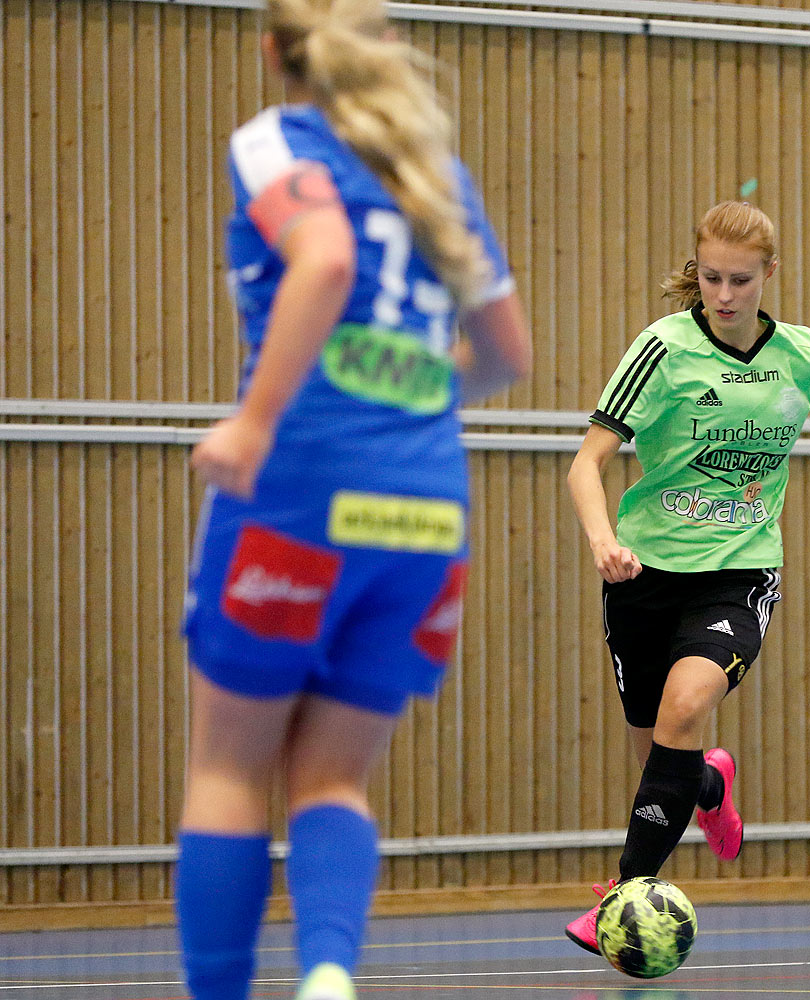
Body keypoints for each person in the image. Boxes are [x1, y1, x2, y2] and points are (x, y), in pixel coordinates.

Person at [175, 3, 531, 998]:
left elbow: (325, 258)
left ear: (271, 49)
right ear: (380, 47)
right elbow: (507, 351)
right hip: (424, 513)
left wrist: (253, 421)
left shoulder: (276, 140)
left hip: (301, 491)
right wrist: (408, 395)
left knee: (228, 769)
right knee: (332, 777)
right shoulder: (436, 177)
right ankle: (328, 969)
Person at [564, 200, 810, 954]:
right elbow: (587, 462)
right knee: (659, 751)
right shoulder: (663, 348)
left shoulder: (801, 355)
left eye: (739, 280)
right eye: (710, 278)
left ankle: (622, 895)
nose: (723, 295)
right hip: (643, 571)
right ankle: (707, 784)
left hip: (740, 570)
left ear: (769, 274)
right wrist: (604, 539)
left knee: (686, 705)